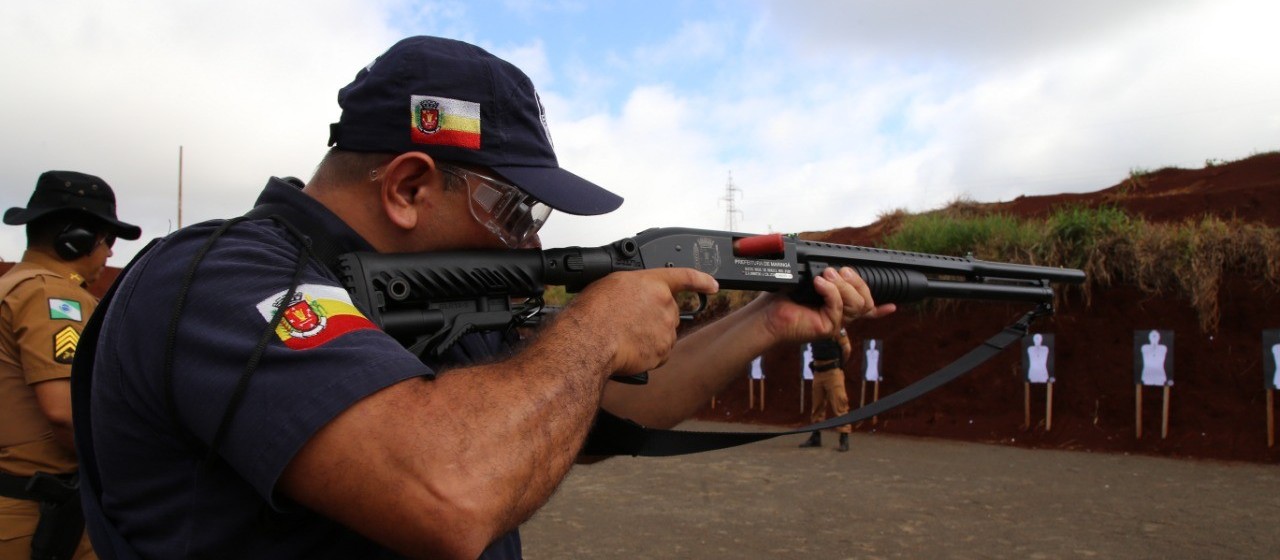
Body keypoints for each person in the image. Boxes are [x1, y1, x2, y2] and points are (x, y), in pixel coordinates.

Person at [74, 36, 893, 559]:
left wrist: (766, 319)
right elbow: (450, 494)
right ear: (406, 186)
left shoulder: (431, 310)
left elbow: (602, 414)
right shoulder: (219, 277)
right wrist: (592, 329)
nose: (530, 242)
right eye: (514, 210)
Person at [1, 170, 141, 560]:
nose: (110, 253)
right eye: (106, 240)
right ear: (74, 239)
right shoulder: (53, 295)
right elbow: (64, 412)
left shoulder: (12, 285)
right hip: (38, 517)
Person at [798, 328, 854, 452]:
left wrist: (839, 364)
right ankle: (816, 436)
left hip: (833, 371)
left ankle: (844, 437)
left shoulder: (838, 329)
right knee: (817, 406)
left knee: (840, 404)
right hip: (818, 371)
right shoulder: (815, 330)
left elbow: (847, 349)